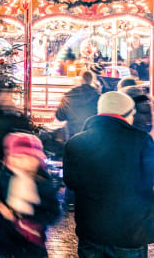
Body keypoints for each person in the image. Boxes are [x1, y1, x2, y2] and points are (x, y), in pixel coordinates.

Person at [64, 91, 154, 258]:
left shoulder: (76, 142)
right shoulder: (142, 141)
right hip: (131, 233)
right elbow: (150, 179)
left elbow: (71, 181)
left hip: (91, 232)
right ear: (127, 115)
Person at [0, 133, 60, 258]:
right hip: (5, 246)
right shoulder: (4, 177)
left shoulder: (43, 183)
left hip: (31, 248)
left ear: (38, 161)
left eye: (30, 158)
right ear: (11, 159)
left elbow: (53, 214)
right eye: (19, 157)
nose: (24, 163)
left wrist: (27, 214)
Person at [55, 70, 100, 138]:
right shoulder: (98, 97)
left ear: (80, 80)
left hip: (73, 134)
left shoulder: (69, 96)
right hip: (92, 135)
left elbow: (60, 116)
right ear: (91, 80)